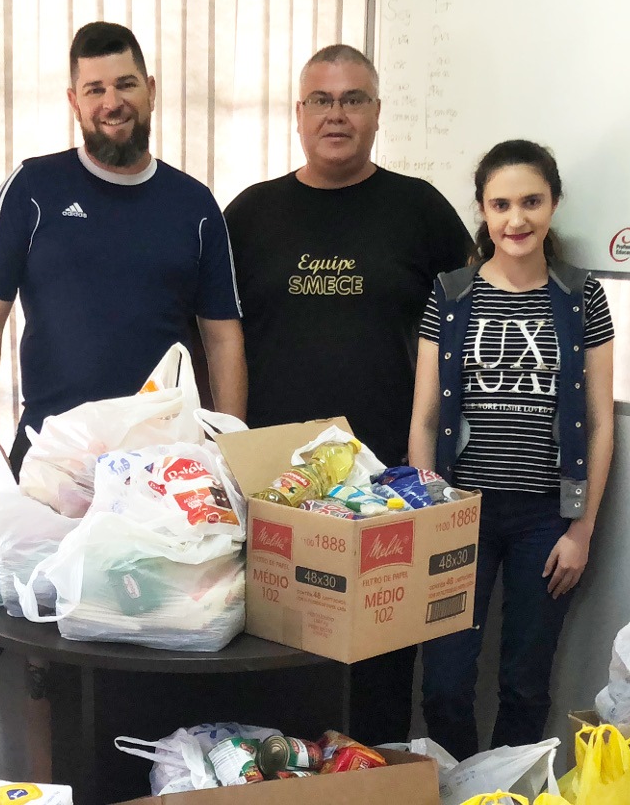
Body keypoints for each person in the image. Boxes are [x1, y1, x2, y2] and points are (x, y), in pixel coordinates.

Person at [224, 44, 470, 747]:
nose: (338, 114)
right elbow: (214, 337)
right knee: (275, 666)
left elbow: (467, 323)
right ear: (298, 114)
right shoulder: (250, 214)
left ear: (377, 113)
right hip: (273, 489)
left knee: (381, 682)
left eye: (353, 99)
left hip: (389, 489)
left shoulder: (420, 210)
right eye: (323, 101)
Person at [0, 22, 245, 470]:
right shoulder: (32, 188)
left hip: (164, 465)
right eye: (95, 89)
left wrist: (232, 448)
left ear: (150, 90)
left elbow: (223, 337)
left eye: (126, 85)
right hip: (52, 458)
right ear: (75, 102)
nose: (112, 103)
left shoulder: (195, 205)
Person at [410, 140, 616, 761]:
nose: (516, 219)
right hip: (459, 514)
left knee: (524, 686)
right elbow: (424, 419)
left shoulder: (583, 296)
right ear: (481, 209)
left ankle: (505, 797)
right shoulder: (449, 295)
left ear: (553, 205)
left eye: (531, 201)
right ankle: (454, 790)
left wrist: (581, 529)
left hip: (543, 519)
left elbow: (602, 422)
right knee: (444, 686)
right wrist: (428, 517)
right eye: (501, 204)